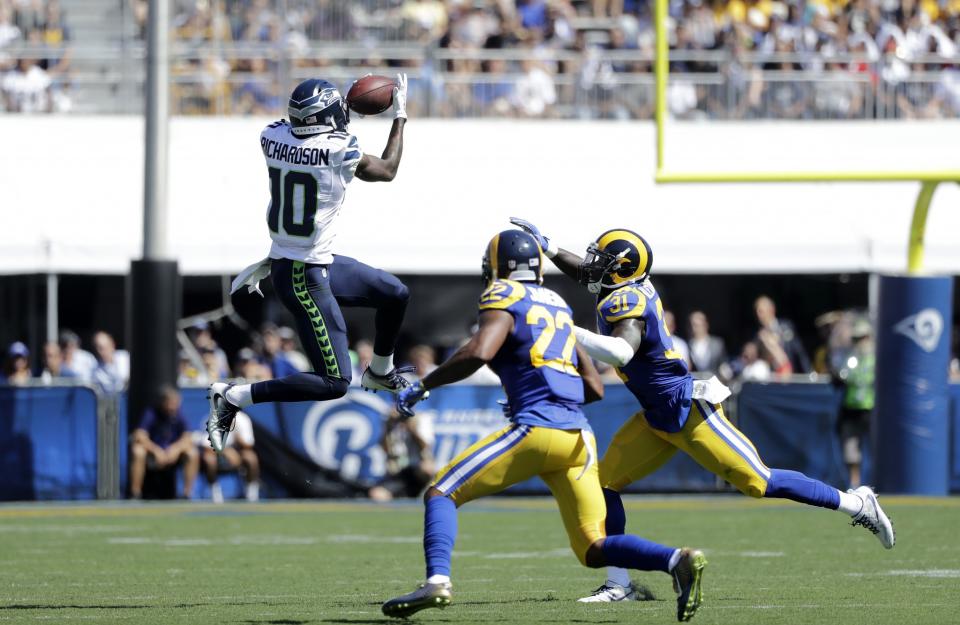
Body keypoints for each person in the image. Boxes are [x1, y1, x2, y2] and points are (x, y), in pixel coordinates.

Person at [509, 218, 895, 603]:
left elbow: (621, 351)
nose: (594, 264)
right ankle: (618, 584)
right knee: (603, 485)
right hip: (655, 416)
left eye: (603, 259)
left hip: (687, 410)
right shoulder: (619, 287)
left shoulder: (628, 302)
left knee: (759, 482)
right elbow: (587, 274)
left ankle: (857, 503)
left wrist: (566, 330)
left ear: (621, 269)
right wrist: (552, 249)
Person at [382, 230, 707, 622]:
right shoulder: (558, 304)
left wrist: (423, 385)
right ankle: (676, 560)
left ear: (496, 266)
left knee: (441, 491)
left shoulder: (505, 294)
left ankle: (437, 581)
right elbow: (594, 386)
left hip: (537, 428)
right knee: (593, 547)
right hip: (577, 438)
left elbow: (478, 352)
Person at [207, 74, 414, 451]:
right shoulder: (339, 150)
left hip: (312, 261)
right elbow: (387, 169)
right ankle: (234, 396)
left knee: (394, 293)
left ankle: (381, 372)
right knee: (334, 382)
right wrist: (399, 116)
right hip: (304, 276)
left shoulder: (271, 137)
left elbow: (303, 129)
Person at [130, 386, 200, 499]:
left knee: (192, 453)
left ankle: (187, 494)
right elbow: (139, 435)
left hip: (172, 454)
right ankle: (135, 493)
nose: (173, 407)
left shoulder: (178, 414)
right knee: (137, 451)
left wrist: (175, 449)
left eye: (175, 403)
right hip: (153, 453)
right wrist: (156, 451)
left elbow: (188, 436)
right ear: (163, 402)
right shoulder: (151, 412)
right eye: (170, 403)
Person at [831, 318, 875, 489]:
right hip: (851, 408)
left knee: (872, 447)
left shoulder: (876, 359)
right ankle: (854, 483)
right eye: (856, 338)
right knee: (851, 449)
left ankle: (874, 481)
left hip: (870, 408)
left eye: (862, 338)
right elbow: (842, 377)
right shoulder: (850, 359)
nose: (859, 342)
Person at [368, 410, 436, 502]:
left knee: (427, 468)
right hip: (400, 472)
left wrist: (411, 428)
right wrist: (388, 426)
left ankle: (425, 493)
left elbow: (425, 446)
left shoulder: (420, 418)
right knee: (377, 494)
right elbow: (386, 449)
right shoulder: (391, 422)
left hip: (417, 471)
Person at [200, 410, 260, 503]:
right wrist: (225, 451)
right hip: (217, 456)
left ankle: (251, 495)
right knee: (208, 459)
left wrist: (237, 438)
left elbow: (249, 444)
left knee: (250, 457)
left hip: (238, 455)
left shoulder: (243, 419)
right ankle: (215, 493)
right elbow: (206, 446)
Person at [754, 295, 810, 374]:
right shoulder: (758, 336)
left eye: (761, 311)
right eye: (757, 312)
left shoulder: (786, 327)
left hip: (792, 377)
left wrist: (809, 374)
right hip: (770, 379)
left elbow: (799, 351)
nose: (758, 315)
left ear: (771, 310)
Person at [687, 311, 727, 376]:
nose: (694, 328)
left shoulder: (717, 344)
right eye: (691, 325)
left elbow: (723, 365)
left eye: (697, 325)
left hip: (714, 382)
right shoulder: (688, 345)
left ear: (706, 325)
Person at [91, 331, 130, 395]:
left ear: (112, 345)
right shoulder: (95, 371)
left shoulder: (125, 357)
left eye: (102, 348)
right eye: (96, 347)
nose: (99, 352)